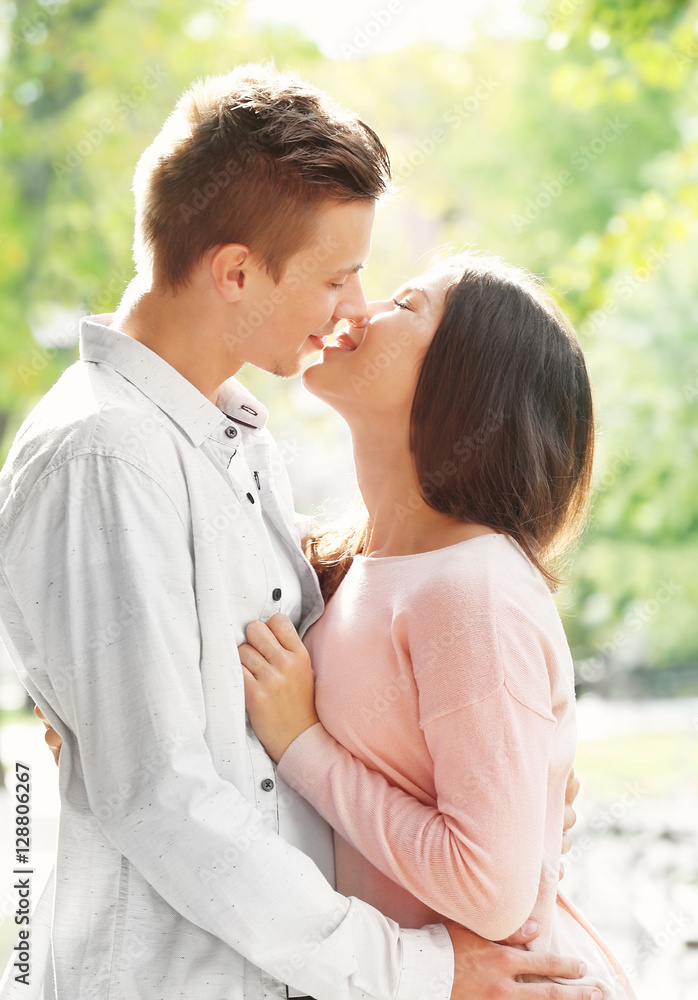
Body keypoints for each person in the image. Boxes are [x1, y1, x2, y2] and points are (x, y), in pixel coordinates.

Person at [0, 64, 594, 1000]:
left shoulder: (235, 444)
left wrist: (518, 795)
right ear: (236, 272)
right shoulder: (106, 456)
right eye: (338, 277)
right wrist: (423, 968)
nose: (353, 307)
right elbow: (162, 798)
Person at [237, 253, 638, 1000]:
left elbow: (490, 890)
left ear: (466, 384)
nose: (358, 309)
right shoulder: (352, 564)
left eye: (404, 305)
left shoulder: (472, 590)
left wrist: (302, 746)